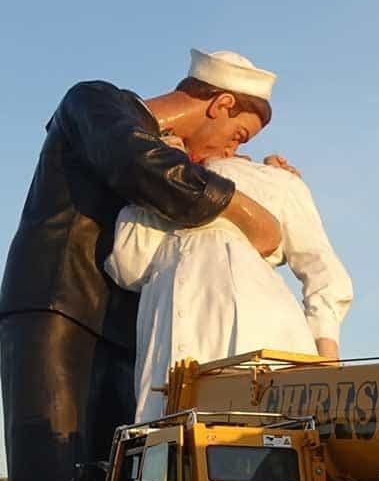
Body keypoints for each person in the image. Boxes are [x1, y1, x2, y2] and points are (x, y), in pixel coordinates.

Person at [0, 48, 287, 481]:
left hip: (116, 331)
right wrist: (248, 204)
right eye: (238, 136)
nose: (231, 150)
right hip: (55, 309)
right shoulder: (96, 102)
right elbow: (151, 172)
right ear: (216, 103)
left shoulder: (162, 149)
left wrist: (262, 180)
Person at [108, 147, 353, 423]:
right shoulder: (151, 188)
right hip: (166, 332)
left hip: (252, 326)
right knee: (167, 443)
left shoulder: (272, 180)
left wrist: (329, 371)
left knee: (253, 434)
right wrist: (156, 181)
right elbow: (129, 267)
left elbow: (323, 272)